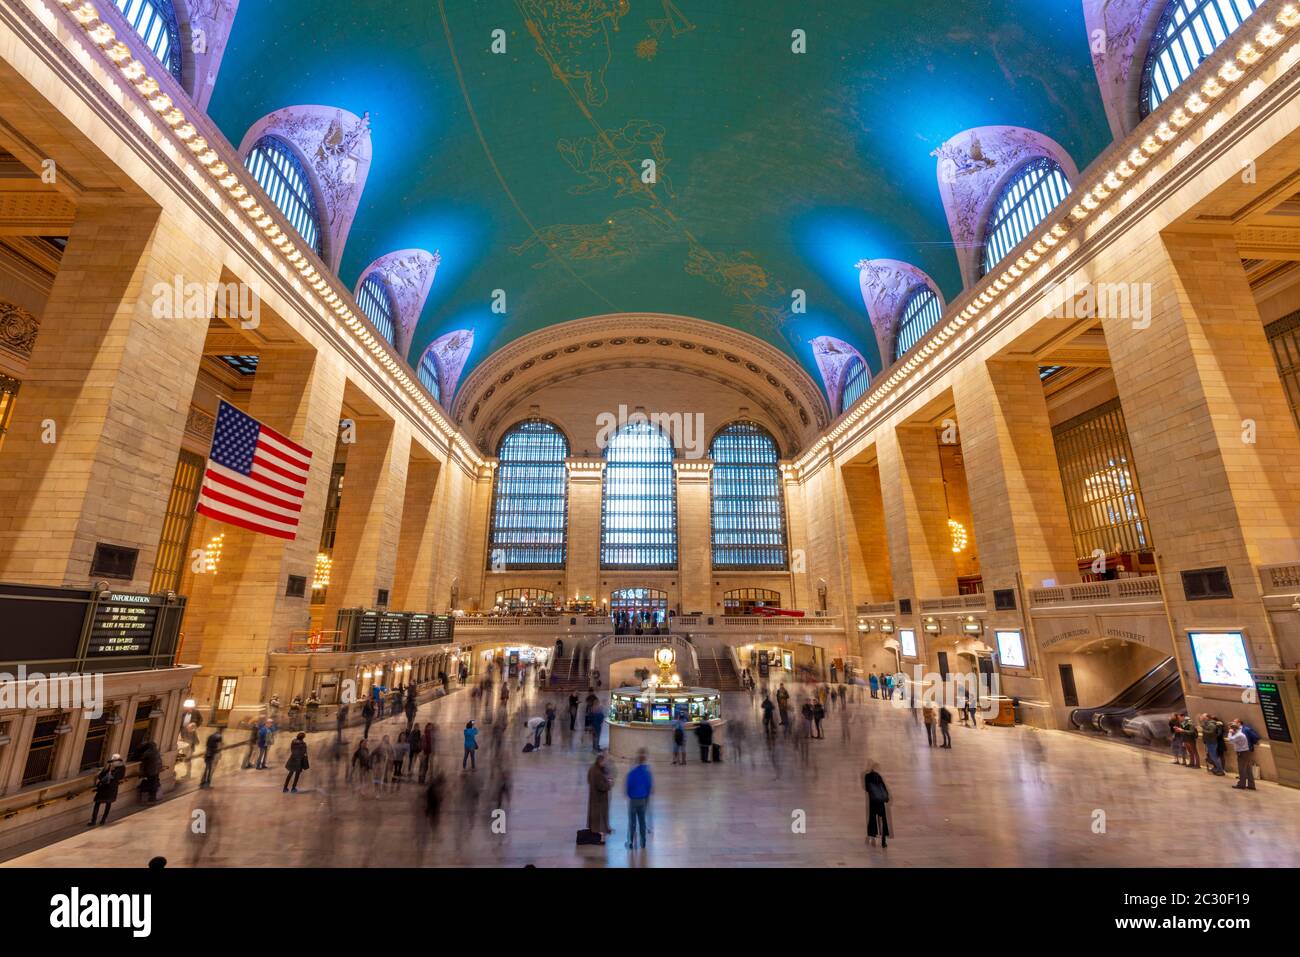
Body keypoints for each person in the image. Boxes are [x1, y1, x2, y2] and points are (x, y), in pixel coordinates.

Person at [624, 749, 653, 849]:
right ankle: (643, 842)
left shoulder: (632, 773)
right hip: (643, 800)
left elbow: (628, 786)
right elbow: (649, 786)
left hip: (633, 800)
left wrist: (630, 795)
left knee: (632, 822)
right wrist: (646, 796)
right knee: (642, 821)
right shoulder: (647, 773)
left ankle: (631, 842)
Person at [88, 753, 126, 826]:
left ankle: (94, 820)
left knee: (98, 803)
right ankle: (103, 820)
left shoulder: (113, 767)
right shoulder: (120, 767)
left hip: (105, 787)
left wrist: (101, 781)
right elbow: (120, 777)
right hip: (111, 788)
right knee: (107, 804)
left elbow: (103, 776)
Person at [863, 763, 890, 847]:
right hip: (880, 802)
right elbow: (884, 788)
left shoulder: (867, 776)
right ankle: (884, 839)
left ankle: (872, 835)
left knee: (872, 818)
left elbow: (867, 788)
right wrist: (886, 797)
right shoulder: (878, 776)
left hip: (873, 801)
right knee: (883, 820)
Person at [586, 753, 613, 837]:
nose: (605, 764)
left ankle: (597, 828)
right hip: (599, 798)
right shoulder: (596, 772)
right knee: (599, 815)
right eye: (604, 762)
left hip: (595, 796)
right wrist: (609, 784)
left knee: (596, 814)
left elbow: (588, 780)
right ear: (600, 762)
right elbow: (601, 786)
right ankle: (598, 830)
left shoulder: (593, 768)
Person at [1227, 719, 1258, 790]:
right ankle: (1251, 785)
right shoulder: (1240, 734)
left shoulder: (1239, 735)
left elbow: (1230, 740)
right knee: (1248, 769)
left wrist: (1229, 733)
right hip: (1245, 752)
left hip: (1242, 753)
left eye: (1230, 729)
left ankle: (1241, 784)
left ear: (1233, 729)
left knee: (1242, 769)